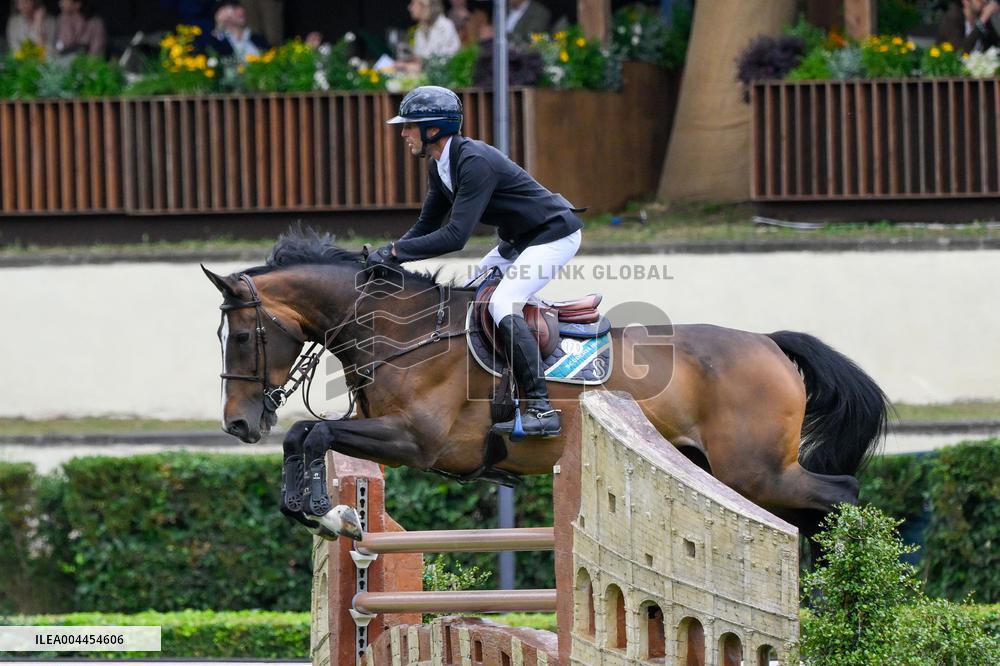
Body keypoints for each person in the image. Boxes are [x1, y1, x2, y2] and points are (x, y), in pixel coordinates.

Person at [370, 86, 583, 438]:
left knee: (502, 304)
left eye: (409, 126)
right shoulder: (441, 166)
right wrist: (390, 258)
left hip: (554, 236)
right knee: (469, 294)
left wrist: (396, 252)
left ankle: (542, 409)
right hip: (518, 242)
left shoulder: (474, 162)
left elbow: (455, 237)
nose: (404, 134)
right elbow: (426, 226)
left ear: (433, 130)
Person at [198, 0, 269, 61]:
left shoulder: (256, 38)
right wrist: (219, 26)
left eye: (240, 7)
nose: (241, 11)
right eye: (234, 8)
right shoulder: (219, 42)